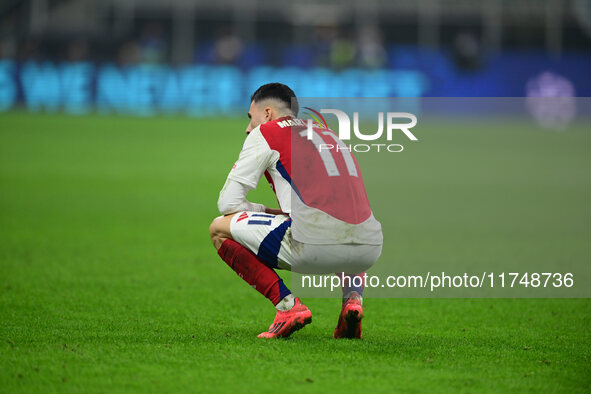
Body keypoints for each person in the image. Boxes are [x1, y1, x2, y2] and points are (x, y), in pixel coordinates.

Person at [209, 83, 382, 339]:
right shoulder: (326, 132)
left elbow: (228, 204)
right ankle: (353, 300)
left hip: (314, 244)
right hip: (368, 247)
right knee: (346, 221)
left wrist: (266, 211)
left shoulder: (266, 132)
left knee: (218, 228)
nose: (248, 128)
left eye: (250, 118)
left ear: (267, 113)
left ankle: (288, 307)